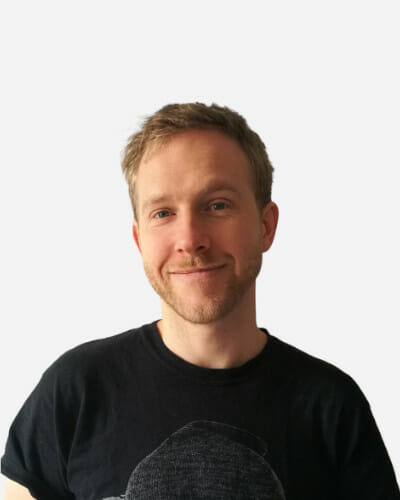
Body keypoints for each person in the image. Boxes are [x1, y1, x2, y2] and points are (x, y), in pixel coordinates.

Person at [2, 102, 399, 500]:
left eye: (218, 205)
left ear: (266, 226)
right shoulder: (75, 391)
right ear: (140, 240)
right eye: (163, 213)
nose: (190, 239)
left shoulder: (331, 406)